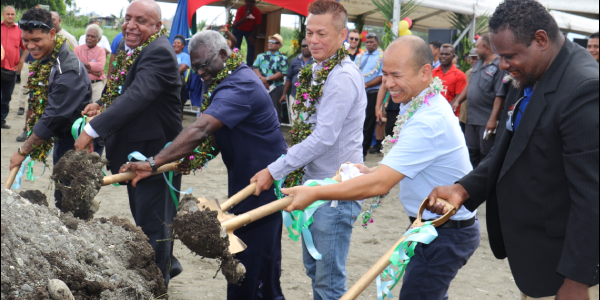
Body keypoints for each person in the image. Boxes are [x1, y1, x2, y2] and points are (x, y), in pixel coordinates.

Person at [283, 35, 480, 300]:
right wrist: (373, 170)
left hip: (446, 232)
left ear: (425, 72)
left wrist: (316, 193)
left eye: (396, 75)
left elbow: (381, 185)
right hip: (430, 227)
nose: (388, 84)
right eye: (385, 75)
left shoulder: (428, 119)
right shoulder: (420, 103)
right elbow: (395, 170)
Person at [426, 1, 599, 299]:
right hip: (539, 258)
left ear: (541, 40)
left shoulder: (584, 89)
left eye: (508, 56)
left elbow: (592, 196)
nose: (503, 65)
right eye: (500, 56)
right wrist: (464, 190)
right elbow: (509, 146)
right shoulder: (532, 69)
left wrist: (577, 279)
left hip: (568, 269)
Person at [121, 30, 288, 300]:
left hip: (263, 183)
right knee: (257, 261)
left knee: (248, 260)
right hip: (246, 180)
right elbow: (214, 140)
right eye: (195, 65)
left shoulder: (240, 84)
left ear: (223, 55)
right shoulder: (226, 79)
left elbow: (202, 129)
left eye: (203, 65)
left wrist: (155, 162)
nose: (199, 72)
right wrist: (176, 161)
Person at [251, 0, 367, 298]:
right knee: (315, 271)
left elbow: (323, 138)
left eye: (322, 34)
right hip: (315, 186)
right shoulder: (316, 68)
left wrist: (273, 170)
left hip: (336, 191)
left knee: (328, 280)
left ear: (343, 36)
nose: (313, 40)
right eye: (309, 33)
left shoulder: (341, 76)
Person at [73, 0, 184, 287]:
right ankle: (169, 263)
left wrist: (93, 130)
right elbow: (120, 85)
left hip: (155, 154)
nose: (131, 25)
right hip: (134, 149)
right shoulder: (126, 47)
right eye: (128, 18)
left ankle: (159, 285)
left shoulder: (159, 52)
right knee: (146, 218)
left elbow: (137, 95)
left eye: (142, 21)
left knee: (153, 225)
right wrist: (100, 103)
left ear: (158, 27)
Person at [8, 7, 93, 204]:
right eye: (26, 40)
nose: (30, 46)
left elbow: (53, 117)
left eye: (36, 40)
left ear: (52, 34)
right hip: (63, 135)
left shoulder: (67, 69)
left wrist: (22, 152)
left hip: (78, 140)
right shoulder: (47, 58)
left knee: (69, 198)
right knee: (62, 191)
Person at [464, 33, 506, 168]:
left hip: (486, 120)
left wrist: (493, 119)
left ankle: (485, 186)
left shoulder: (499, 66)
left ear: (485, 47)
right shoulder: (477, 63)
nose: (475, 50)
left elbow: (500, 95)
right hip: (471, 119)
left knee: (486, 154)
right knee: (471, 152)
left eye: (477, 47)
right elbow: (470, 85)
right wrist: (457, 101)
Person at [356, 33, 383, 157]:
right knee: (356, 121)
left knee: (368, 122)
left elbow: (381, 77)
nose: (369, 44)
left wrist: (366, 85)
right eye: (367, 42)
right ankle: (354, 149)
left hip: (372, 93)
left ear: (377, 43)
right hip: (358, 93)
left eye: (372, 42)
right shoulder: (360, 56)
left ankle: (362, 151)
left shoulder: (382, 57)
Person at [253, 33, 288, 122]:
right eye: (269, 41)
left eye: (273, 42)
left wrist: (267, 79)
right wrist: (261, 79)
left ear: (279, 45)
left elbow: (282, 73)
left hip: (276, 87)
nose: (270, 43)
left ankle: (276, 131)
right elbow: (255, 67)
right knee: (259, 108)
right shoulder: (261, 56)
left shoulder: (283, 58)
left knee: (275, 110)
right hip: (262, 86)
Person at [1, 6, 25, 130]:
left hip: (12, 70)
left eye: (12, 14)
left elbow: (25, 48)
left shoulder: (20, 31)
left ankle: (2, 120)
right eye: (8, 14)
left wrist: (21, 61)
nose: (10, 16)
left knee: (6, 97)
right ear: (3, 14)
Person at [280, 38, 313, 122]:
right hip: (294, 96)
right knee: (295, 121)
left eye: (307, 46)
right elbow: (288, 78)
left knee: (307, 121)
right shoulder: (295, 61)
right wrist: (284, 94)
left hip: (309, 97)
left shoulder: (316, 61)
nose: (305, 48)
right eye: (303, 46)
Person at [74, 24, 106, 103]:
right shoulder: (77, 49)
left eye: (93, 37)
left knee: (96, 110)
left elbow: (100, 66)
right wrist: (93, 71)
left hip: (96, 84)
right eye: (88, 36)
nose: (89, 38)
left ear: (98, 39)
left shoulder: (101, 51)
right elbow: (75, 66)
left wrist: (83, 64)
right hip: (81, 85)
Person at [433, 44, 467, 117]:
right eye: (441, 54)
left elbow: (459, 96)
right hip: (433, 113)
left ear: (453, 56)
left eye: (447, 54)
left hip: (450, 115)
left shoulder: (460, 75)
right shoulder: (432, 73)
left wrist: (445, 109)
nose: (443, 56)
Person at [452, 47, 479, 133]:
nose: (473, 61)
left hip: (477, 117)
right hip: (463, 115)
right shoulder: (468, 72)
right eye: (472, 58)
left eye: (476, 58)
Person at [233, 0, 261, 67]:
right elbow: (236, 24)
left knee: (251, 45)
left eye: (250, 7)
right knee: (236, 45)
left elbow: (257, 25)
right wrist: (243, 18)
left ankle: (249, 65)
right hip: (238, 29)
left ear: (253, 5)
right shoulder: (240, 9)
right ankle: (235, 63)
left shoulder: (257, 12)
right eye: (247, 6)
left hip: (250, 30)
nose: (248, 8)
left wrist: (252, 36)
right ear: (244, 4)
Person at [173, 35, 191, 110]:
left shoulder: (185, 56)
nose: (176, 44)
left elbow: (182, 68)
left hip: (179, 83)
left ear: (183, 45)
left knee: (179, 107)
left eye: (179, 43)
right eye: (174, 42)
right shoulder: (169, 54)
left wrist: (167, 72)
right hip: (168, 82)